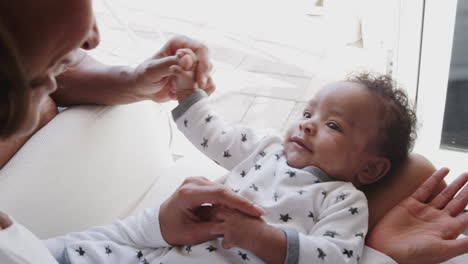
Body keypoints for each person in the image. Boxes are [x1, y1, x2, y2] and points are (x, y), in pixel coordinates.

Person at [0, 0, 467, 264]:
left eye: (331, 125)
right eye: (308, 111)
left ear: (369, 167)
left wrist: (267, 241)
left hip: (186, 244)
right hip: (167, 250)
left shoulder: (344, 200)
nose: (305, 123)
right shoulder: (266, 149)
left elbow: (338, 257)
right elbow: (214, 135)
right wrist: (188, 98)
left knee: (418, 171)